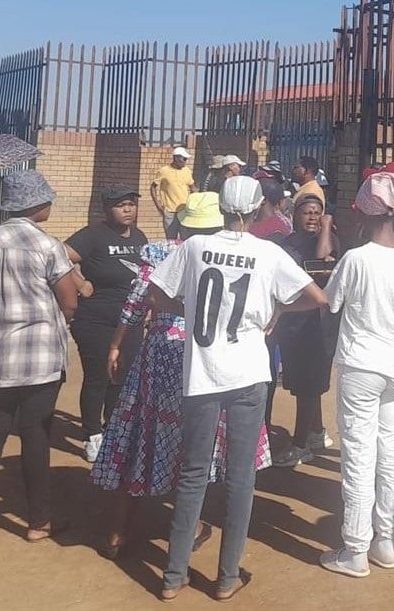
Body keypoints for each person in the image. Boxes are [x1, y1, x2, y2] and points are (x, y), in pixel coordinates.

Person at [151, 176, 326, 601]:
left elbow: (157, 293)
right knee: (241, 476)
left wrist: (188, 310)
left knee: (192, 474)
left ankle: (174, 575)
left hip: (202, 374)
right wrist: (278, 311)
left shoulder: (193, 247)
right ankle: (227, 575)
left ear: (222, 209)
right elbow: (317, 297)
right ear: (255, 209)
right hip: (248, 374)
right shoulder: (267, 252)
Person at [91, 192, 272, 559]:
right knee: (198, 445)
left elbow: (136, 302)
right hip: (204, 358)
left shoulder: (159, 252)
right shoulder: (228, 254)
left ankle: (117, 532)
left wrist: (116, 344)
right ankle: (185, 533)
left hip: (158, 356)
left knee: (139, 435)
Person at [319, 172, 394, 578]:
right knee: (392, 452)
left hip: (362, 364)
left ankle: (355, 549)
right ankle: (386, 541)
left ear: (363, 214)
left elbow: (331, 304)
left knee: (359, 456)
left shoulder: (356, 259)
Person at [0, 170, 78, 541]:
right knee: (35, 433)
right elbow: (69, 300)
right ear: (37, 205)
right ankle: (37, 522)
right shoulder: (47, 246)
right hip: (39, 355)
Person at [65, 186, 148, 462]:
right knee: (98, 377)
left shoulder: (139, 237)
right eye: (121, 205)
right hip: (95, 320)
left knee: (121, 378)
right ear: (107, 209)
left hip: (129, 322)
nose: (127, 209)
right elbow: (57, 256)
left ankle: (112, 430)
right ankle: (92, 435)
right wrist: (80, 283)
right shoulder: (93, 235)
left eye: (131, 204)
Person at [271, 193, 340, 466]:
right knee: (304, 381)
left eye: (317, 212)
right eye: (307, 212)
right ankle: (316, 432)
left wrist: (326, 226)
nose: (312, 217)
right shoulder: (286, 245)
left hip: (319, 324)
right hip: (293, 323)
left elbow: (324, 258)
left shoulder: (330, 242)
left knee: (309, 384)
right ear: (294, 216)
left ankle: (300, 445)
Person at [151, 146, 195, 239]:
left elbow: (192, 187)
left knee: (186, 238)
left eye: (186, 159)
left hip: (184, 211)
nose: (185, 161)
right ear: (176, 158)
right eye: (184, 159)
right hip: (169, 211)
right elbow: (153, 187)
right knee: (171, 239)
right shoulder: (164, 171)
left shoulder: (187, 171)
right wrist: (158, 205)